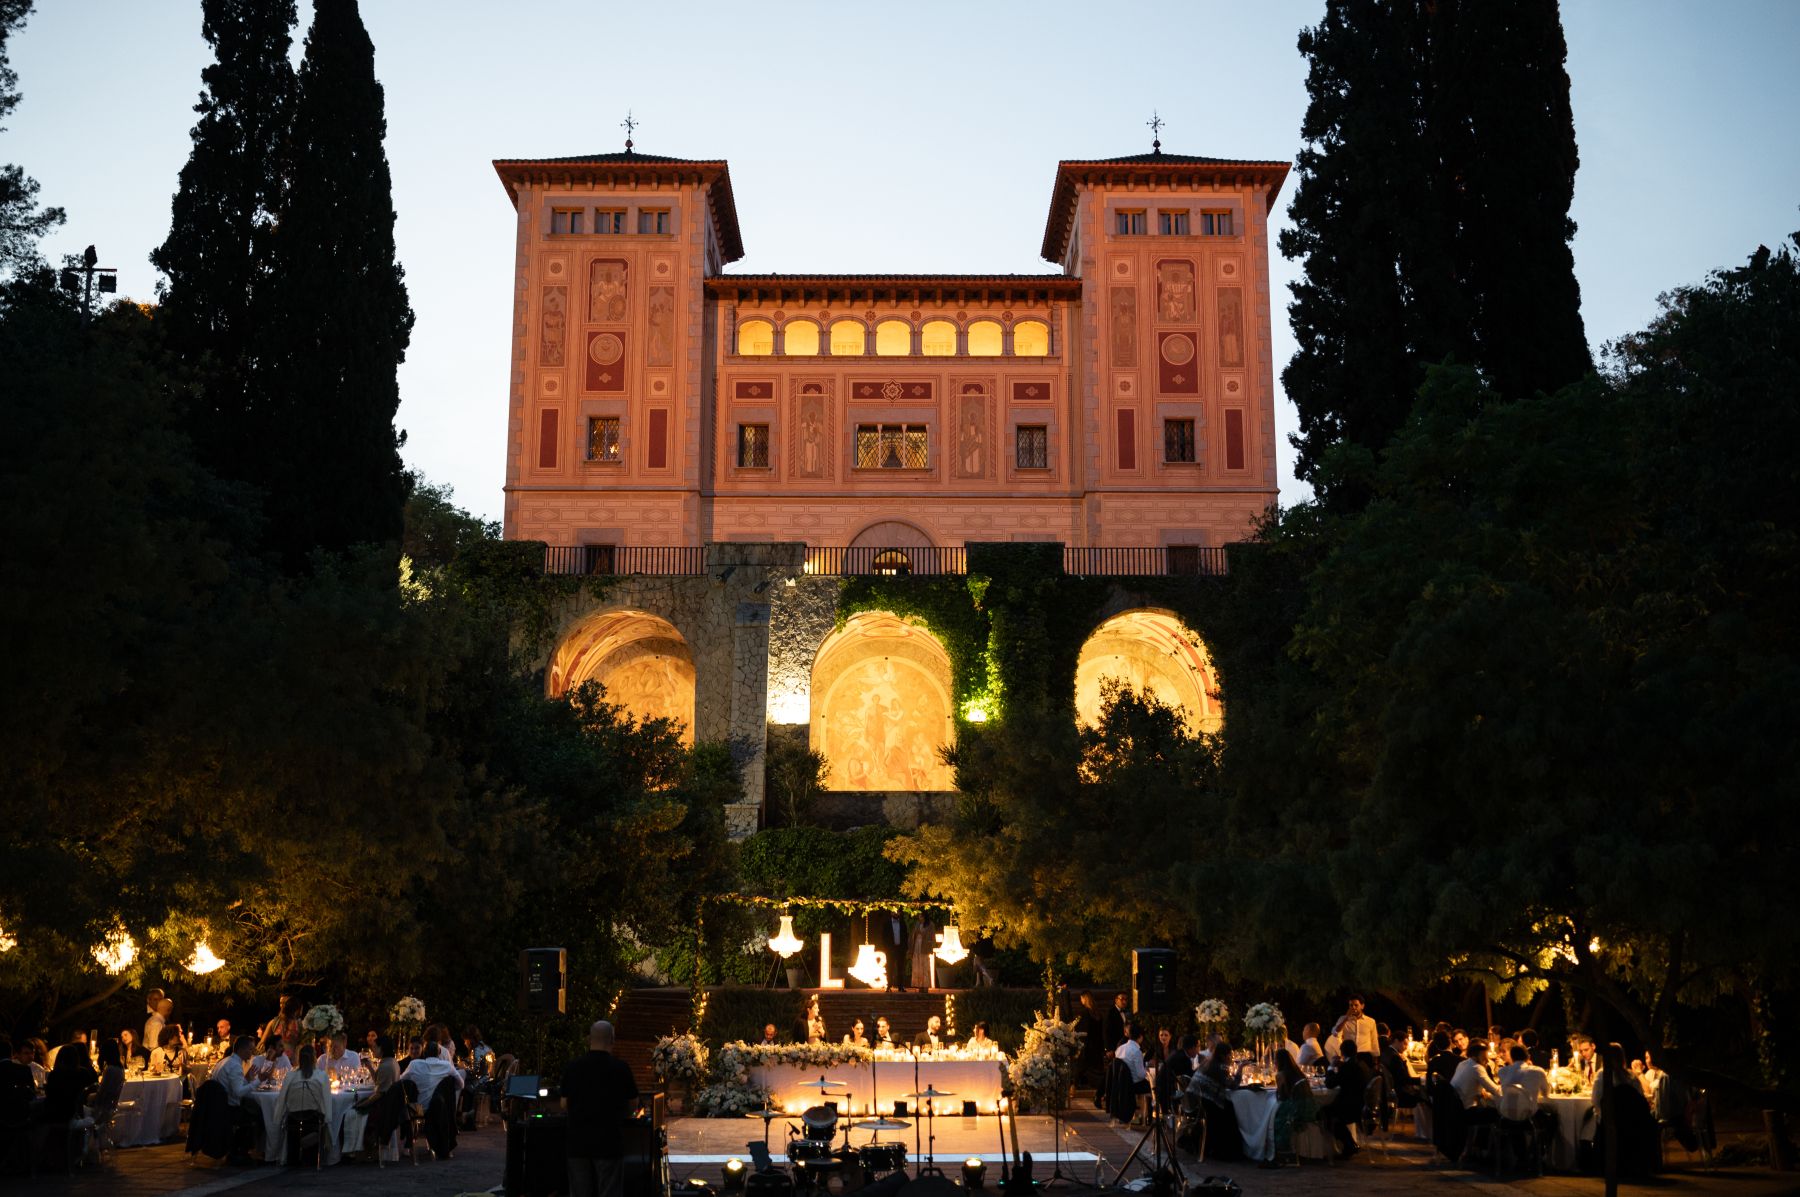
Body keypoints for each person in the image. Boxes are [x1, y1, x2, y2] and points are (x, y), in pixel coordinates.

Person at [563, 1020, 640, 1197]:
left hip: (578, 1143)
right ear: (612, 1039)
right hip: (609, 1142)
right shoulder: (621, 1068)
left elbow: (563, 1103)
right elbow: (633, 1103)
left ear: (589, 1039)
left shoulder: (573, 1067)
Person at [1192, 1041, 1244, 1160]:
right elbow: (1233, 1086)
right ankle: (1230, 1150)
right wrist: (1240, 1068)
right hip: (1209, 1104)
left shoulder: (1208, 1062)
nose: (1231, 1058)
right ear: (1222, 1056)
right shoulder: (1220, 1066)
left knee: (1230, 1105)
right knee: (1232, 1109)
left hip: (1198, 1101)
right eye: (1229, 1055)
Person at [1268, 1049, 1318, 1168]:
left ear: (1278, 1062)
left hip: (1295, 1110)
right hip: (1310, 1108)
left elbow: (1281, 1097)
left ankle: (1282, 1154)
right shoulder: (1298, 1073)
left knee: (1273, 1119)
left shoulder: (1281, 1075)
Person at [1322, 1043, 1372, 1159]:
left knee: (1325, 1114)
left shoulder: (1348, 1067)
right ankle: (1351, 1145)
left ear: (1342, 1053)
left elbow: (1330, 1084)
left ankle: (1348, 1146)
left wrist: (1330, 1068)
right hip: (1362, 1105)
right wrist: (1341, 1067)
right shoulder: (1360, 1064)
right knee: (1330, 1113)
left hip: (1351, 1108)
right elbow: (1346, 1078)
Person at [398, 1032, 464, 1113]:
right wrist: (446, 1090)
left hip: (419, 1110)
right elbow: (461, 1084)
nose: (414, 1051)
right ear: (439, 1053)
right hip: (440, 1111)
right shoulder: (447, 1066)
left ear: (424, 1051)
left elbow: (399, 1081)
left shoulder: (414, 1064)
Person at [1115, 1023, 1150, 1125]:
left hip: (1120, 1083)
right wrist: (1147, 1071)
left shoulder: (1120, 1048)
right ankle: (1145, 1116)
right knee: (1152, 1086)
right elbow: (1140, 1075)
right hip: (1133, 1084)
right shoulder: (1136, 1051)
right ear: (1140, 1037)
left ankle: (1139, 1115)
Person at [1156, 1033, 1198, 1114]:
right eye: (1197, 1047)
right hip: (1168, 1093)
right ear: (1192, 1048)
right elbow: (1188, 1080)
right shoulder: (1184, 1059)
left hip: (1163, 1090)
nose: (1198, 1050)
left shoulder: (1178, 1053)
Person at [1331, 997, 1378, 1066]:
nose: (1353, 1007)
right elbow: (1336, 1033)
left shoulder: (1371, 1021)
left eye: (1356, 1005)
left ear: (1362, 1006)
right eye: (1351, 1005)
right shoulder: (1343, 1019)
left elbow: (1374, 1040)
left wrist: (1375, 1057)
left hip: (1365, 1056)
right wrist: (1346, 1017)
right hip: (1349, 1056)